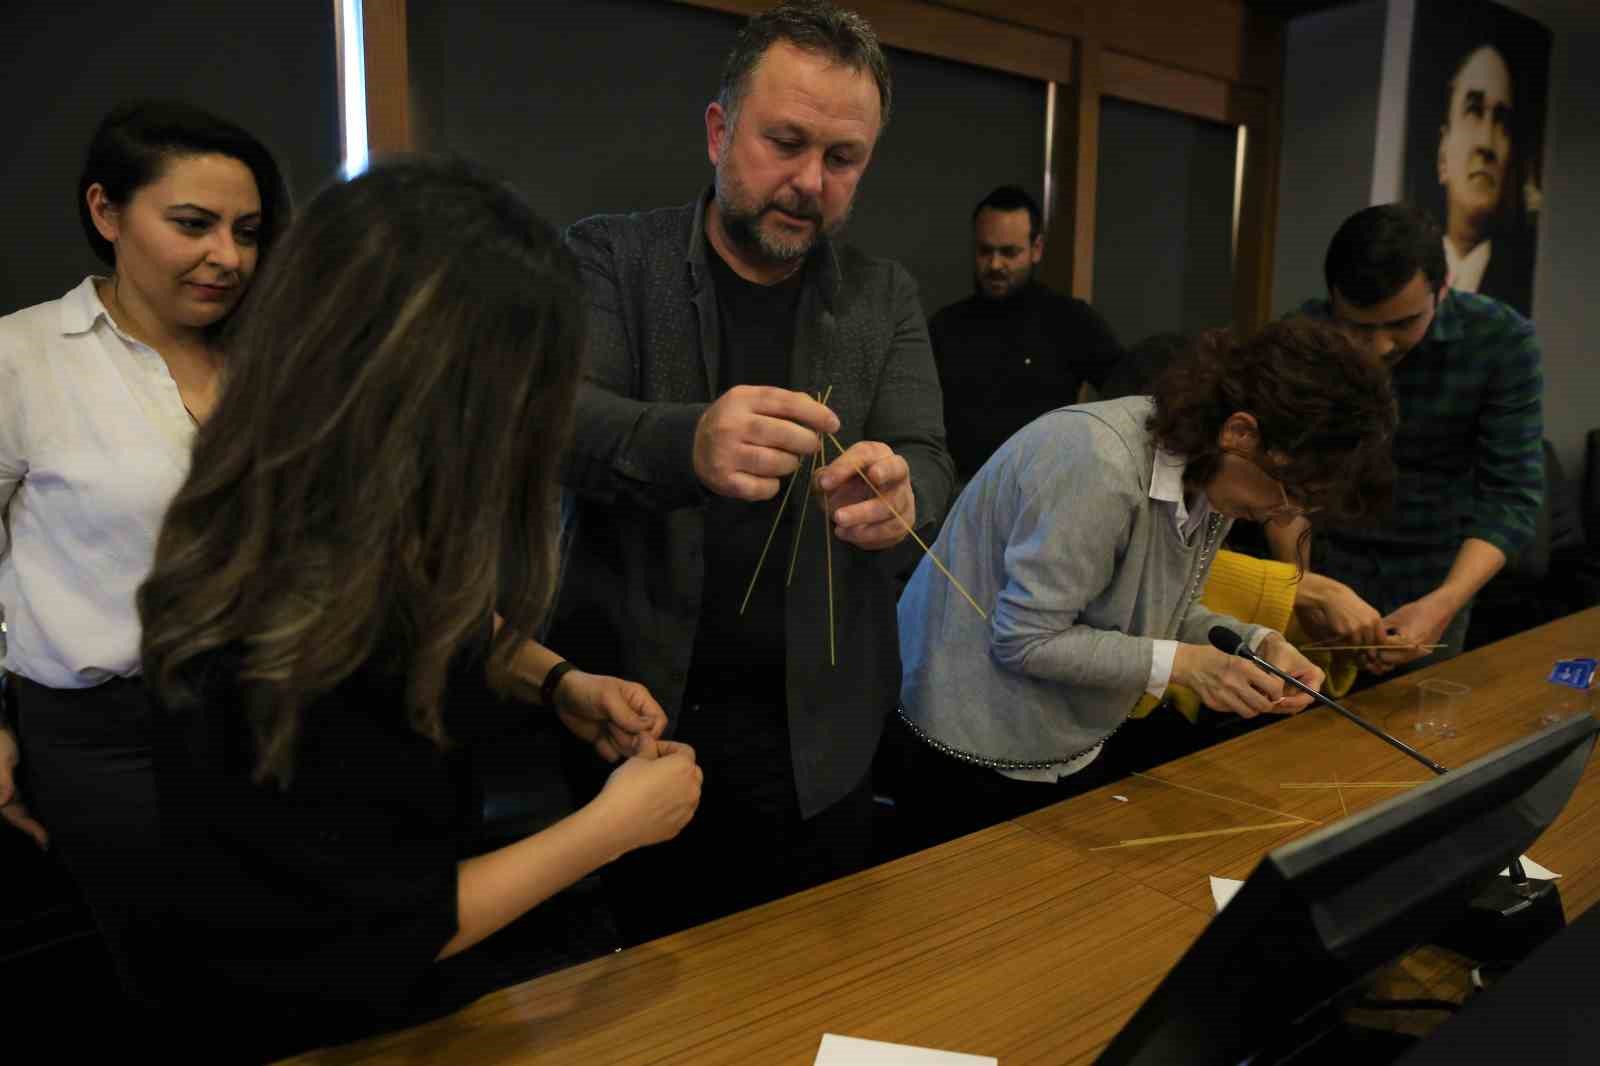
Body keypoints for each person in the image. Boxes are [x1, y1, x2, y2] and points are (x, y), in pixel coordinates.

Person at [134, 158, 702, 1060]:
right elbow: (376, 929)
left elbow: (434, 609)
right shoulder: (286, 614)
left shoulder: (329, 504)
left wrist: (557, 681)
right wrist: (611, 829)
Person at [549, 0, 954, 943]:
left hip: (821, 732)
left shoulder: (882, 295)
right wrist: (688, 442)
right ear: (719, 131)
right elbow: (557, 422)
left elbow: (932, 459)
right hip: (637, 717)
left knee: (810, 977)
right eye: (785, 143)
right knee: (647, 984)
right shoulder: (611, 256)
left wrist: (904, 491)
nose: (810, 182)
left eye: (843, 158)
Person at [896, 318, 1398, 849]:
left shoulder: (1211, 474)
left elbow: (1165, 608)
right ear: (1240, 432)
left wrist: (1255, 644)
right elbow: (1026, 639)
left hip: (1063, 739)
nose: (1285, 514)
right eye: (1289, 491)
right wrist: (1189, 666)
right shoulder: (1097, 463)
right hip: (972, 747)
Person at [0, 99, 290, 1003]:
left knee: (305, 974)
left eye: (247, 231)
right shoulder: (22, 359)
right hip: (110, 740)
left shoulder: (277, 360)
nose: (228, 257)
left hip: (281, 711)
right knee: (184, 987)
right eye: (193, 225)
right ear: (106, 211)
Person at [1278, 204, 1543, 678]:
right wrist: (1301, 585)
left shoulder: (1500, 341)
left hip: (1437, 577)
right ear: (1333, 300)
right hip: (1321, 563)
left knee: (1421, 712)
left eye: (1402, 325)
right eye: (1359, 326)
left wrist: (1444, 602)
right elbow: (1278, 480)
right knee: (1295, 712)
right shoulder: (1303, 339)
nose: (1379, 347)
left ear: (1442, 290)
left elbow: (1510, 495)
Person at [929, 185, 1121, 482]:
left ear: (1036, 249)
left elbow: (1125, 388)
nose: (995, 264)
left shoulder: (1069, 320)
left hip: (1045, 490)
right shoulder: (944, 327)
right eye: (985, 251)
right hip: (961, 493)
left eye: (1009, 252)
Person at [1433, 41, 1537, 315]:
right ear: (1443, 156)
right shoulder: (1404, 275)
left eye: (1501, 122)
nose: (1486, 142)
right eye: (1473, 110)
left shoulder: (1524, 298)